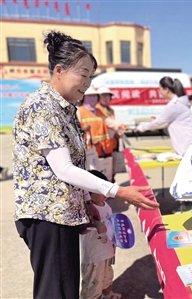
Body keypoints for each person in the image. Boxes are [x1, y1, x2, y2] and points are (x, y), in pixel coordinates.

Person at [13, 30, 159, 299]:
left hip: (63, 213)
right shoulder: (42, 106)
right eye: (83, 74)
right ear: (59, 70)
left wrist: (87, 203)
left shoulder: (65, 109)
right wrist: (118, 191)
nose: (88, 83)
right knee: (55, 292)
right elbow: (64, 169)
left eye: (91, 76)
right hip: (48, 216)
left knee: (65, 289)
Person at [135, 77, 192, 212]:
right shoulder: (180, 104)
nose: (159, 92)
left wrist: (141, 128)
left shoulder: (174, 106)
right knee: (191, 178)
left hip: (187, 146)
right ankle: (191, 208)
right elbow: (165, 120)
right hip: (188, 145)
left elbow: (160, 122)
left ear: (166, 89)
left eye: (160, 89)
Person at [80, 170, 120, 299]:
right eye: (100, 189)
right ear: (88, 193)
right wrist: (95, 224)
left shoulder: (106, 205)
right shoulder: (85, 210)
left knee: (107, 277)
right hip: (93, 256)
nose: (106, 192)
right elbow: (82, 231)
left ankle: (108, 296)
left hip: (107, 251)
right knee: (92, 285)